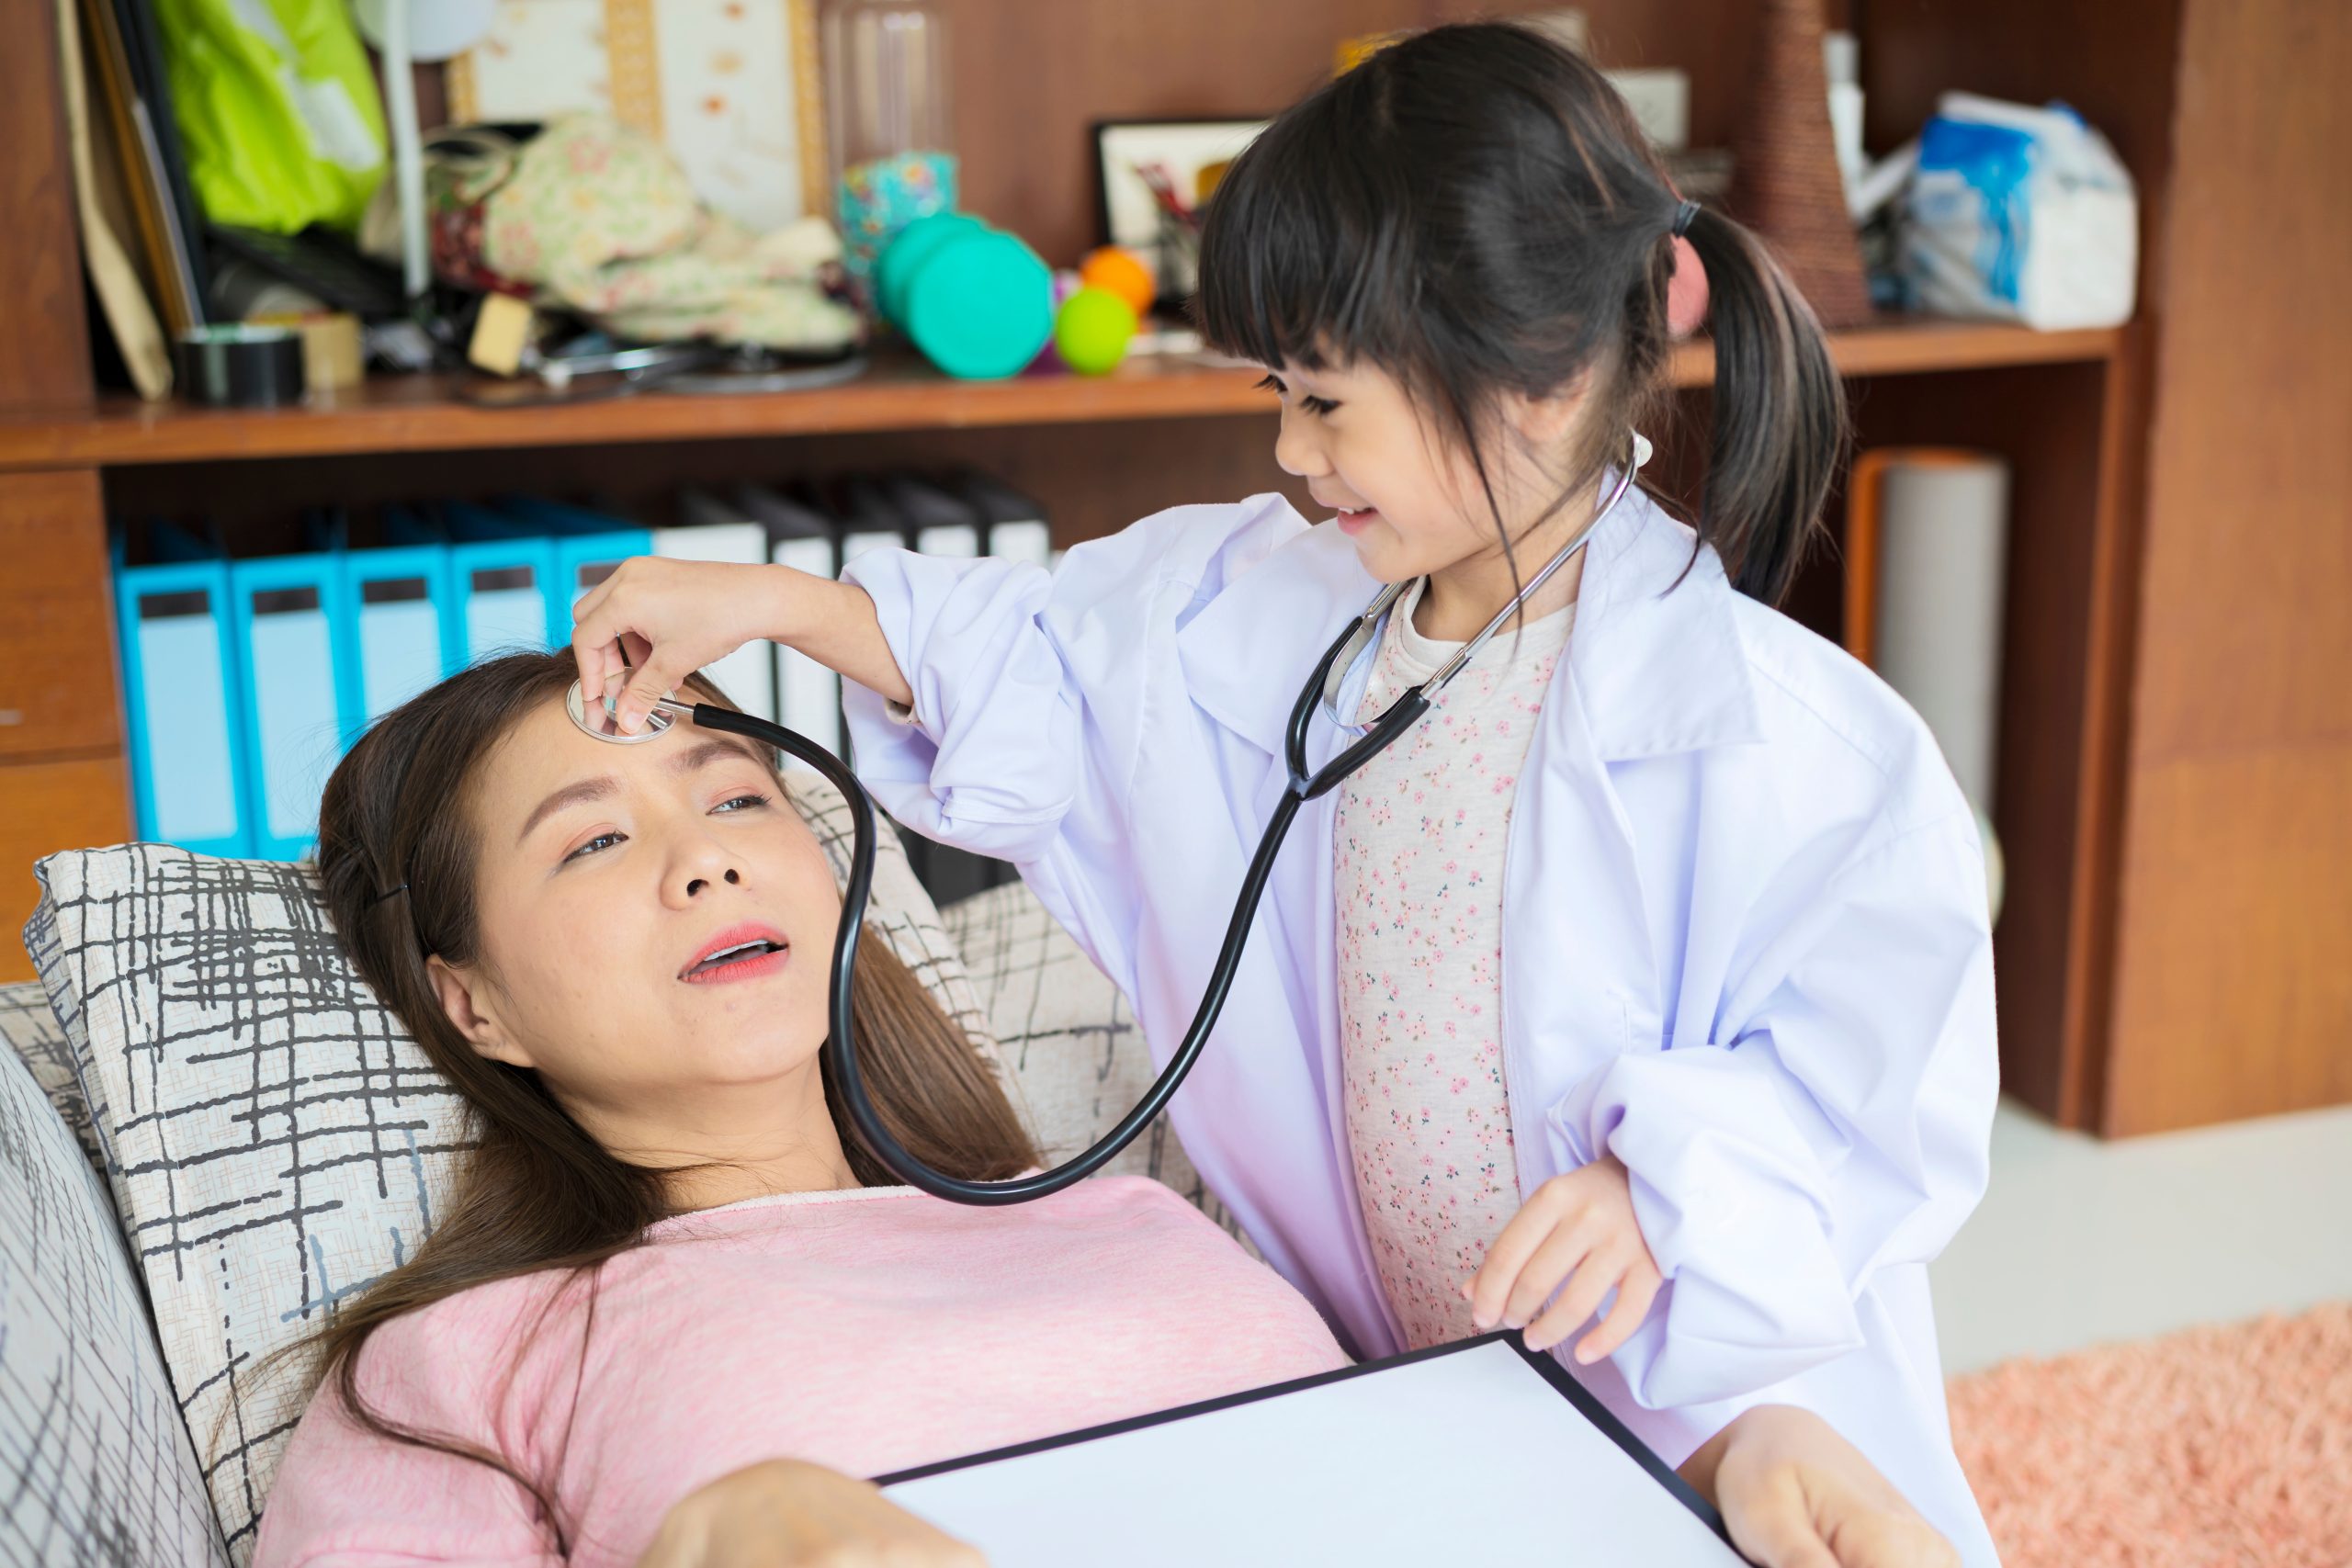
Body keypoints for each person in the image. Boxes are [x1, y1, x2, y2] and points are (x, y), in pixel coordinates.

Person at [570, 19, 2001, 1565]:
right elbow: (1045, 651)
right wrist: (773, 602)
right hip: (1403, 1383)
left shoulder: (1800, 749)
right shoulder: (1267, 610)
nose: (1290, 447)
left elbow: (1882, 1094)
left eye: (1328, 402)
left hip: (1708, 1403)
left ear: (1545, 376)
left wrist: (1670, 1192)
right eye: (1282, 391)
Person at [255, 651, 1957, 1568]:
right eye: (594, 838)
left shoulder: (1134, 1212)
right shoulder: (477, 1360)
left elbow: (1428, 1486)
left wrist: (1712, 1468)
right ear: (470, 1004)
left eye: (734, 792)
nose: (704, 847)